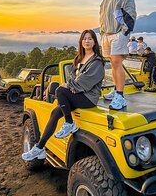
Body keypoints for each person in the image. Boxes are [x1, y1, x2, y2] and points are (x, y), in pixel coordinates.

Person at [22, 29, 105, 161]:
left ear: (95, 42)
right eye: (84, 38)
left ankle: (69, 123)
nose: (87, 41)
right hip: (78, 95)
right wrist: (70, 86)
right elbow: (73, 78)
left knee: (60, 90)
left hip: (89, 98)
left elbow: (84, 83)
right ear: (81, 42)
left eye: (90, 38)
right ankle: (40, 148)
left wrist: (69, 86)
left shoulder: (97, 62)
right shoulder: (78, 59)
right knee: (55, 112)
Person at [100, 0, 137, 110]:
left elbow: (131, 13)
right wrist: (102, 33)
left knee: (116, 62)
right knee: (113, 63)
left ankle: (120, 96)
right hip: (106, 35)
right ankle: (116, 89)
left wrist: (124, 31)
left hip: (118, 33)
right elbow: (102, 17)